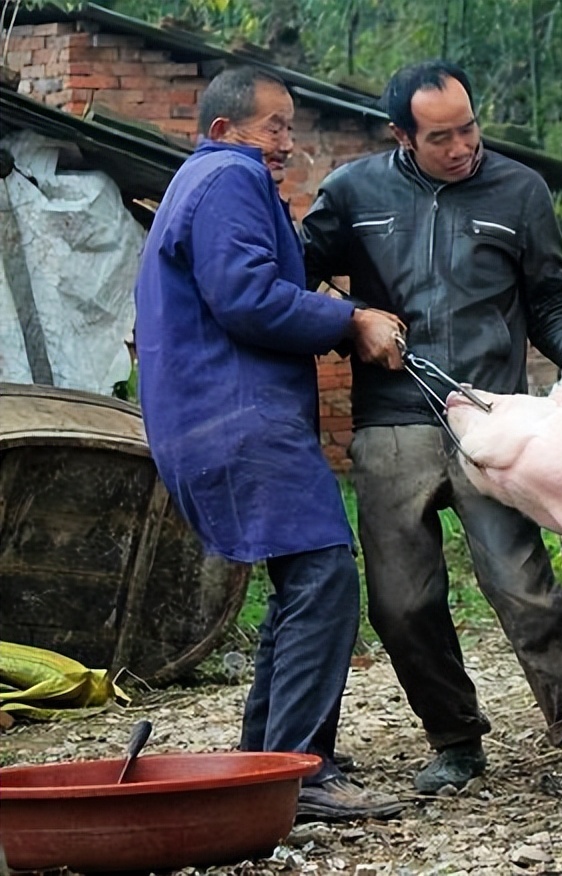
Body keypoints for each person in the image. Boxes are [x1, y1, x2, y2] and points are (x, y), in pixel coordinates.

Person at [299, 60, 562, 803]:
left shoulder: (519, 190)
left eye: (470, 128)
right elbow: (293, 279)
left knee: (522, 583)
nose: (462, 148)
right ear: (401, 135)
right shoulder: (354, 193)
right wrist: (349, 321)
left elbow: (551, 299)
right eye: (441, 137)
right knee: (401, 601)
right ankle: (454, 740)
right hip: (391, 418)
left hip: (492, 417)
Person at [134, 66, 407, 821]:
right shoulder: (227, 176)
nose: (286, 143)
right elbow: (246, 297)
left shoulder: (201, 180)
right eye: (274, 127)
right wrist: (350, 320)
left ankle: (268, 765)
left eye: (290, 127)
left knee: (303, 581)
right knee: (323, 574)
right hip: (239, 417)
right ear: (224, 130)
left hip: (212, 417)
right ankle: (305, 770)